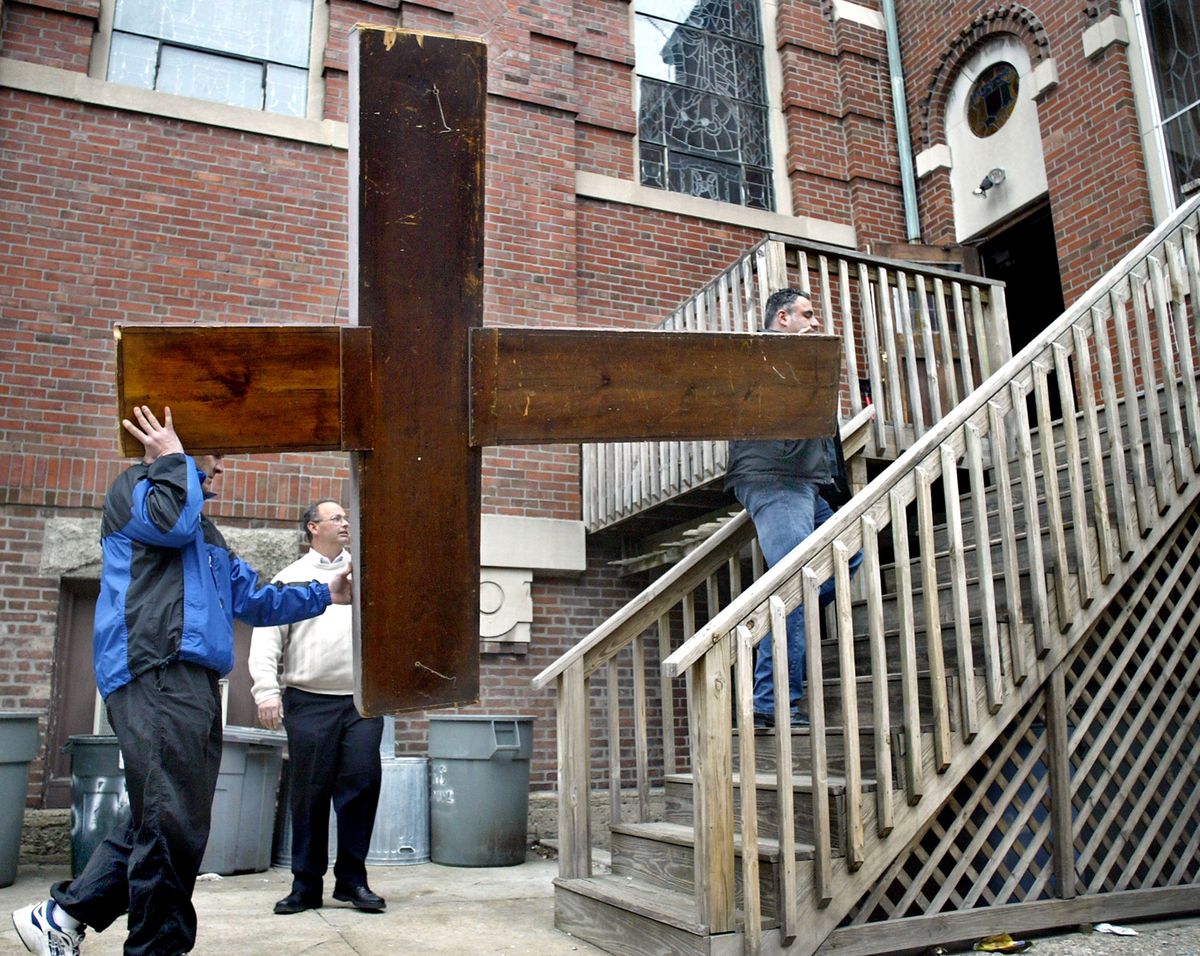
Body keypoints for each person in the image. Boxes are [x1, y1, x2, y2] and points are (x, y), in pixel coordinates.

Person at [12, 406, 352, 956]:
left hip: (190, 682)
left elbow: (255, 598)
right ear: (172, 450)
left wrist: (325, 595)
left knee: (169, 815)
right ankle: (155, 948)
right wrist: (171, 460)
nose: (213, 477)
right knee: (172, 821)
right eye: (206, 465)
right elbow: (169, 524)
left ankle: (64, 913)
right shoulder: (137, 493)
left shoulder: (206, 531)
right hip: (155, 668)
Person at [724, 289, 860, 729]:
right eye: (808, 313)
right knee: (794, 591)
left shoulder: (803, 363)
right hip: (775, 479)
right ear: (782, 318)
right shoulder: (768, 357)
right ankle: (773, 703)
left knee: (851, 552)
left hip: (806, 486)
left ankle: (773, 619)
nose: (816, 321)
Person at [249, 500, 386, 915]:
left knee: (360, 789)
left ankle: (352, 882)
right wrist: (266, 692)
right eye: (336, 518)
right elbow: (266, 638)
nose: (346, 523)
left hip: (362, 703)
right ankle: (305, 886)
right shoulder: (291, 578)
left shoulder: (366, 575)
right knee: (309, 795)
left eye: (347, 517)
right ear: (313, 527)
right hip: (307, 702)